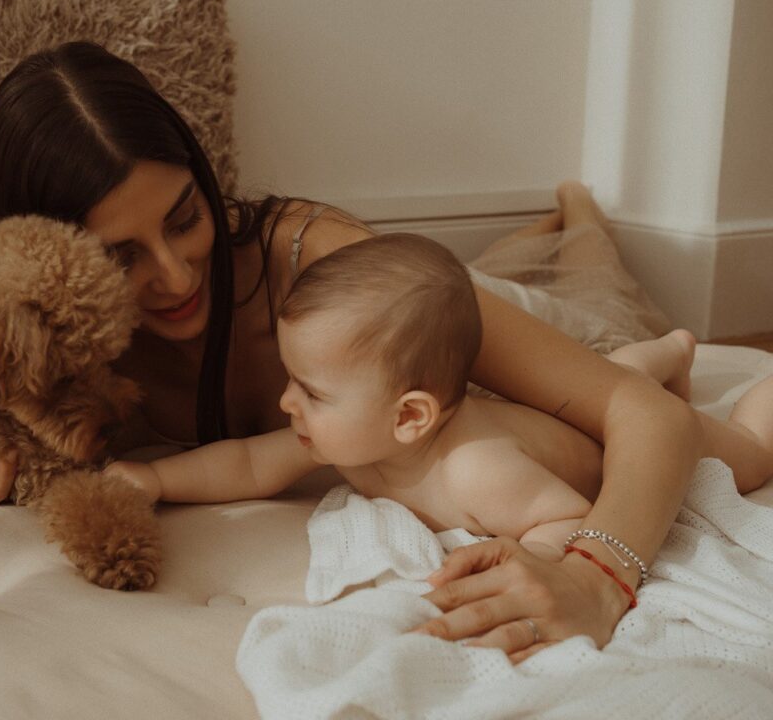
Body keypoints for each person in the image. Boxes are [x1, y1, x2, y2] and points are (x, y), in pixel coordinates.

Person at [0, 40, 763, 663]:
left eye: (184, 217)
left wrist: (595, 576)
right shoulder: (39, 341)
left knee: (602, 325)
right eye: (119, 256)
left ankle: (581, 226)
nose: (176, 275)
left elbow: (636, 415)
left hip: (457, 337)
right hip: (456, 354)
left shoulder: (331, 272)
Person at [103, 233, 773, 627]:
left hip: (613, 453)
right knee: (615, 372)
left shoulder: (478, 470)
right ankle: (669, 353)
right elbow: (249, 464)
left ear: (409, 418)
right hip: (551, 425)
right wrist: (156, 477)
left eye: (309, 391)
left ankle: (707, 371)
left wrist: (539, 558)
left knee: (746, 456)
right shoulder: (349, 438)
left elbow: (565, 515)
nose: (285, 403)